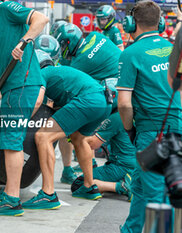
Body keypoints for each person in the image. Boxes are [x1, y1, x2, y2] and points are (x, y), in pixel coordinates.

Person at [0, 0, 48, 216]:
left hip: (23, 83)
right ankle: (8, 193)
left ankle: (12, 199)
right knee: (8, 139)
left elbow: (41, 19)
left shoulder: (5, 8)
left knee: (12, 140)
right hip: (12, 87)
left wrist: (23, 42)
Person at [117, 1, 182, 232]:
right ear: (160, 23)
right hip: (175, 126)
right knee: (141, 186)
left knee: (158, 197)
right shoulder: (173, 49)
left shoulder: (130, 53)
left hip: (152, 131)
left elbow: (124, 104)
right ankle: (131, 229)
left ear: (131, 23)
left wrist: (129, 130)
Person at [21, 50, 111, 209]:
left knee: (43, 136)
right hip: (103, 101)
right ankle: (89, 186)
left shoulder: (42, 74)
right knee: (78, 138)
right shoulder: (57, 72)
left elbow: (36, 102)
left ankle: (48, 194)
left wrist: (21, 122)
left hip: (88, 99)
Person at [54, 22, 121, 183]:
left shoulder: (80, 63)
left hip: (113, 96)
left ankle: (72, 168)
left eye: (62, 46)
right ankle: (89, 162)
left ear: (68, 43)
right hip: (125, 90)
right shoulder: (96, 36)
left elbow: (65, 74)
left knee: (66, 119)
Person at [86, 110, 135, 201]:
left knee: (80, 184)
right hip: (142, 166)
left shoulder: (118, 117)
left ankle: (123, 186)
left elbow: (93, 144)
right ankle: (131, 182)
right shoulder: (146, 115)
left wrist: (78, 139)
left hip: (122, 166)